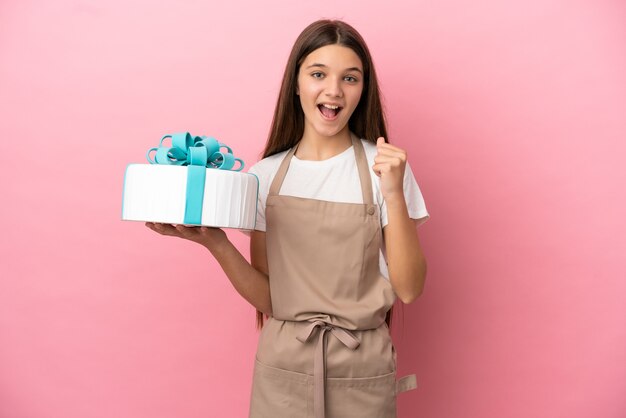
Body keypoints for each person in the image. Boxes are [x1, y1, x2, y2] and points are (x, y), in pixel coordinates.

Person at [146, 18, 429, 418]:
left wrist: (394, 194)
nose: (333, 90)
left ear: (362, 90)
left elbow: (410, 288)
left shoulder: (385, 169)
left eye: (350, 78)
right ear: (296, 83)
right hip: (282, 374)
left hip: (361, 369)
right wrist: (215, 241)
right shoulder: (264, 177)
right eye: (318, 74)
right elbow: (269, 298)